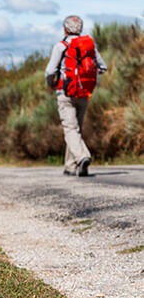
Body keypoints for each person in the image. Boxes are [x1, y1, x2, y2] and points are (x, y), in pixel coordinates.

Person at [45, 15, 107, 177]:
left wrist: (51, 83)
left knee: (70, 129)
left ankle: (82, 157)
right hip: (85, 92)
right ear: (80, 28)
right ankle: (70, 166)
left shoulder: (61, 46)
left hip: (65, 92)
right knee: (76, 129)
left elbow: (50, 71)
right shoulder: (89, 46)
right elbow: (103, 67)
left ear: (65, 28)